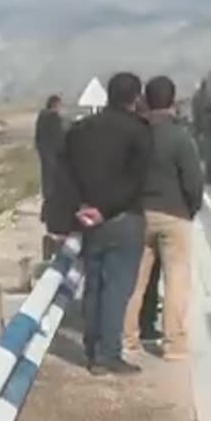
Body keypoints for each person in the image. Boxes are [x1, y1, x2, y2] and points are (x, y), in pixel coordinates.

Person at [47, 72, 152, 376]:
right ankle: (107, 354)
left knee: (93, 285)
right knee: (117, 288)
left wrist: (80, 209)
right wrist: (104, 210)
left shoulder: (80, 130)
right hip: (122, 219)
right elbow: (137, 180)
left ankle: (92, 350)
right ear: (136, 98)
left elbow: (63, 174)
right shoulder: (138, 131)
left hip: (88, 221)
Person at [123, 75, 203, 361]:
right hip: (174, 214)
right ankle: (174, 345)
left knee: (135, 280)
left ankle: (128, 338)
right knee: (177, 280)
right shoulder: (180, 137)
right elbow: (193, 180)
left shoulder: (135, 134)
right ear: (171, 100)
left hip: (139, 214)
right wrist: (190, 209)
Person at [34, 94, 65, 258]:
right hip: (55, 158)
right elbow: (60, 139)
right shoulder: (54, 119)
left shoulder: (41, 118)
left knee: (47, 186)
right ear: (56, 105)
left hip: (45, 157)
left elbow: (37, 139)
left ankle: (45, 212)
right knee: (54, 188)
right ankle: (50, 213)